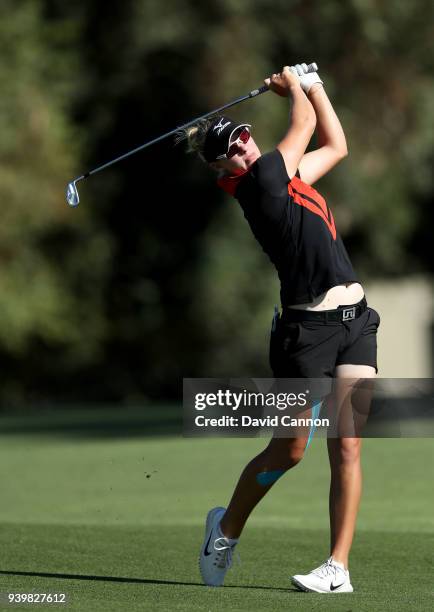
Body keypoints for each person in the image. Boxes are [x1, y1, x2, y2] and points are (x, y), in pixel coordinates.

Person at [178, 64, 380, 593]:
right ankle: (224, 529)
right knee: (290, 449)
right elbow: (307, 126)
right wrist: (296, 86)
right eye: (232, 148)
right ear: (223, 167)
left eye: (243, 136)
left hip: (355, 321)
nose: (243, 146)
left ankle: (338, 567)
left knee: (349, 445)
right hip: (305, 336)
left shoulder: (284, 178)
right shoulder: (262, 184)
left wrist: (314, 86)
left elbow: (336, 145)